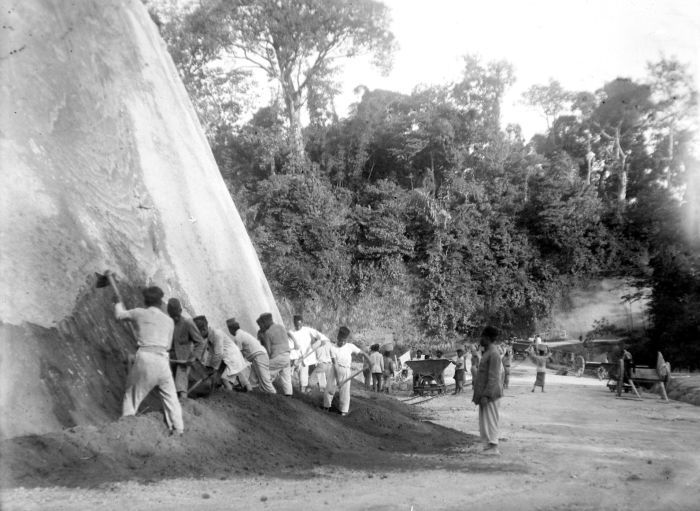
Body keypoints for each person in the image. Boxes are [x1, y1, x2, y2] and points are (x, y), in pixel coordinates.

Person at [115, 285, 183, 435]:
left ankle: (127, 427)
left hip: (145, 357)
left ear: (145, 301)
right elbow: (168, 346)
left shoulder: (138, 312)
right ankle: (178, 429)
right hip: (163, 360)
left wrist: (117, 302)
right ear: (160, 302)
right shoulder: (169, 321)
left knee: (131, 395)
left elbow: (119, 316)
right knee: (171, 398)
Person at [193, 315, 252, 393]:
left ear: (204, 329)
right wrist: (208, 366)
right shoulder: (209, 336)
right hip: (229, 357)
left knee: (224, 379)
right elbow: (210, 353)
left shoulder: (216, 334)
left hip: (231, 357)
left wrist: (212, 368)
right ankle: (249, 390)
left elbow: (218, 353)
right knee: (234, 376)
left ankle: (229, 395)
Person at [472, 326, 503, 455]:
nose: (480, 340)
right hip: (485, 394)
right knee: (484, 420)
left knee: (490, 419)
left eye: (482, 337)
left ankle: (493, 446)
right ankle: (487, 446)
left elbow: (494, 377)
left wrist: (486, 395)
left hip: (491, 395)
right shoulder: (488, 352)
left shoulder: (494, 354)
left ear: (488, 338)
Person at [323, 326, 368, 416]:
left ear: (346, 339)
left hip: (346, 370)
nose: (341, 342)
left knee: (345, 391)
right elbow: (335, 364)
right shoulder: (333, 348)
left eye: (343, 340)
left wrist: (369, 361)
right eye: (340, 340)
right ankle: (326, 406)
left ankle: (343, 410)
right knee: (330, 388)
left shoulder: (350, 346)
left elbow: (362, 353)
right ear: (337, 338)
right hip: (335, 369)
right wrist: (339, 380)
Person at [167, 298, 205, 400]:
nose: (174, 318)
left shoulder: (188, 323)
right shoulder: (168, 322)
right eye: (172, 315)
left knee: (180, 386)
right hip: (170, 358)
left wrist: (193, 357)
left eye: (176, 315)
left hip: (183, 361)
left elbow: (200, 343)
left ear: (180, 311)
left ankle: (184, 405)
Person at [226, 318, 276, 394]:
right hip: (258, 355)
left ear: (231, 329)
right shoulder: (242, 333)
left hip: (259, 356)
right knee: (252, 380)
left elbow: (237, 355)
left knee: (264, 381)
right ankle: (249, 392)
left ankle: (274, 397)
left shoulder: (237, 337)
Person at [257, 313, 298, 396]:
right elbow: (289, 334)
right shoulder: (281, 327)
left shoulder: (268, 333)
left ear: (265, 322)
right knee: (286, 378)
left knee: (264, 371)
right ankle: (288, 396)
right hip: (287, 356)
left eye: (262, 323)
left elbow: (268, 351)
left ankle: (267, 392)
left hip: (278, 356)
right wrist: (295, 343)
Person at [288, 315, 327, 393]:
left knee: (306, 380)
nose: (298, 326)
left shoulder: (307, 330)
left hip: (307, 360)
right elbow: (290, 347)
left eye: (300, 324)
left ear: (302, 323)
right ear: (294, 323)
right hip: (296, 359)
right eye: (296, 324)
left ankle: (306, 394)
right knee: (291, 377)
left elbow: (321, 336)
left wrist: (323, 340)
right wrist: (294, 360)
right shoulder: (291, 332)